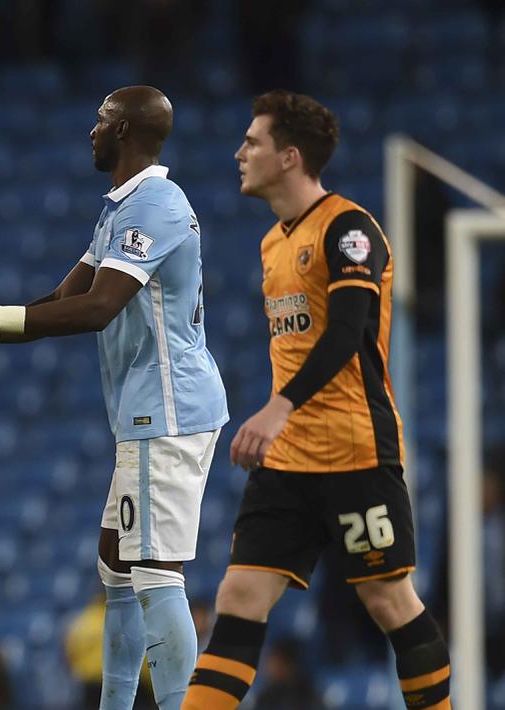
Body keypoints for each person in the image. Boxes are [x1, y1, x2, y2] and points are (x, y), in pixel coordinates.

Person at [0, 86, 227, 710]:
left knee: (156, 573)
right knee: (116, 565)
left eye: (102, 120)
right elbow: (61, 300)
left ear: (128, 129)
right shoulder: (119, 209)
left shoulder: (157, 205)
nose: (92, 131)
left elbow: (100, 308)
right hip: (144, 414)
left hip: (167, 410)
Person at [181, 91, 451, 709]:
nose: (239, 152)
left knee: (388, 601)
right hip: (287, 463)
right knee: (239, 598)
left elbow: (349, 334)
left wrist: (279, 406)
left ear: (290, 157)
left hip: (355, 451)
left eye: (253, 142)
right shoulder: (273, 243)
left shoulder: (349, 229)